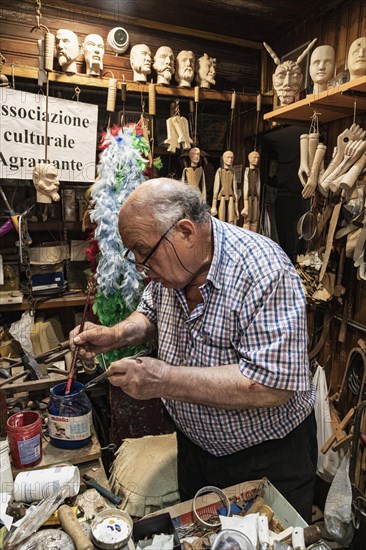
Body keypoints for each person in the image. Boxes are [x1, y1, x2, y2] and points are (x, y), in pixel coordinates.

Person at [69, 178, 317, 523]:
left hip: (266, 457)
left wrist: (164, 380)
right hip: (195, 449)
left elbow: (271, 385)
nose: (141, 265)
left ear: (186, 231)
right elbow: (151, 312)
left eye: (144, 251)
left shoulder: (265, 271)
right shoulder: (172, 270)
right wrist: (115, 334)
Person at [211, 150, 239, 224]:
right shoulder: (219, 171)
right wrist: (214, 206)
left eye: (232, 158)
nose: (230, 160)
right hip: (222, 196)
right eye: (228, 157)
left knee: (231, 220)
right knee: (221, 219)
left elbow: (235, 190)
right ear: (223, 158)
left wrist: (236, 209)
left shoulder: (233, 172)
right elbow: (216, 189)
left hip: (231, 197)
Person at [242, 150, 261, 232]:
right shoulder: (246, 171)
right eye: (254, 158)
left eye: (258, 158)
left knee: (255, 219)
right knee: (247, 219)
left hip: (256, 197)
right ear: (249, 159)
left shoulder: (258, 172)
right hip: (248, 197)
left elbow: (258, 185)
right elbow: (245, 187)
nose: (256, 160)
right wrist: (245, 206)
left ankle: (254, 235)